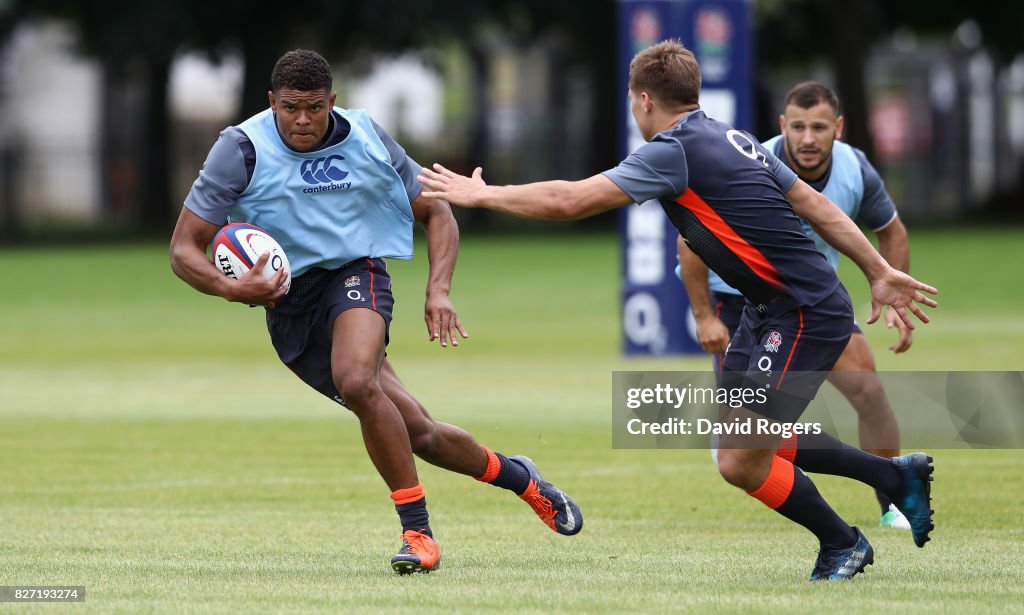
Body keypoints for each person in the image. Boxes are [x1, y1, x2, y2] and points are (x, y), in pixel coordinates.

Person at [419, 40, 937, 581]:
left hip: (802, 312)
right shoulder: (732, 136)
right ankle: (892, 480)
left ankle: (843, 541)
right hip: (769, 310)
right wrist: (875, 270)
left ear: (643, 100)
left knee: (740, 458)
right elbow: (816, 205)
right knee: (749, 446)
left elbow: (568, 200)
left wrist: (484, 195)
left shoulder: (672, 151)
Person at [169, 49, 582, 576]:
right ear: (271, 102)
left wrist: (438, 290)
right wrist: (234, 289)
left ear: (332, 102)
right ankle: (522, 478)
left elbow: (436, 208)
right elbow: (183, 251)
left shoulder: (365, 137)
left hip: (354, 274)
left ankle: (418, 533)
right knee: (421, 434)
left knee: (358, 379)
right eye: (290, 108)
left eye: (314, 108)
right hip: (288, 304)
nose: (301, 120)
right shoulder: (240, 149)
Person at [676, 81, 912, 530]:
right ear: (782, 125)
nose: (807, 138)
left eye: (819, 127)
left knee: (870, 393)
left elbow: (892, 231)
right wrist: (705, 315)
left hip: (812, 303)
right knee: (743, 435)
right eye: (798, 127)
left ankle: (895, 501)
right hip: (739, 304)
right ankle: (822, 516)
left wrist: (893, 293)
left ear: (838, 129)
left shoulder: (855, 170)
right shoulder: (744, 160)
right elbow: (690, 240)